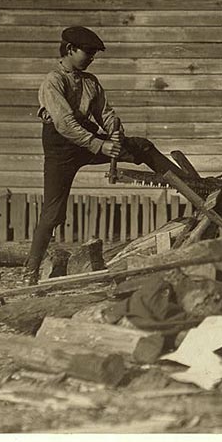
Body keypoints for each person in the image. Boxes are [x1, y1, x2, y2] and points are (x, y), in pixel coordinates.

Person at [22, 25, 184, 284]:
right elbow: (65, 125)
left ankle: (190, 185)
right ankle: (30, 271)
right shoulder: (53, 81)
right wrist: (101, 145)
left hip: (88, 140)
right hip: (61, 149)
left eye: (94, 53)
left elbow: (104, 112)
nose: (92, 58)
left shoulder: (90, 81)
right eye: (88, 52)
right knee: (53, 214)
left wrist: (115, 130)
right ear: (70, 49)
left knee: (141, 146)